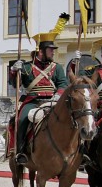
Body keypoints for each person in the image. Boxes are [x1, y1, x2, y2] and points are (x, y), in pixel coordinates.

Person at [9, 13, 70, 165]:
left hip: (52, 101)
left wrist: (58, 95)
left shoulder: (57, 68)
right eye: (51, 50)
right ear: (41, 51)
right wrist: (14, 71)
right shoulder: (27, 67)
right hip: (32, 101)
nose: (53, 52)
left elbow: (63, 84)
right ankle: (21, 151)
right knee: (21, 119)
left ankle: (73, 152)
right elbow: (14, 84)